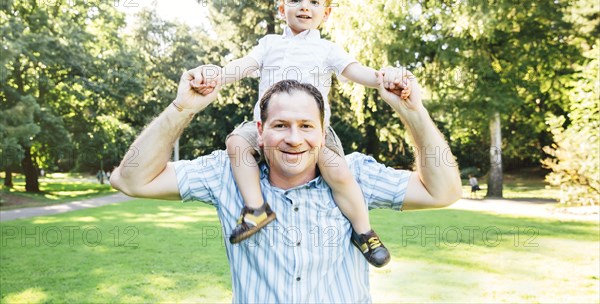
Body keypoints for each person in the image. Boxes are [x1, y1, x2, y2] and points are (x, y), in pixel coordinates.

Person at [110, 69, 462, 303]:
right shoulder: (224, 173)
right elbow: (130, 179)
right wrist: (182, 108)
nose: (294, 139)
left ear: (324, 133)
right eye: (281, 125)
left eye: (306, 126)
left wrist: (413, 111)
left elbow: (443, 191)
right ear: (260, 132)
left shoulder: (355, 175)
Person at [197, 0, 410, 267]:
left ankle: (364, 232)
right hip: (267, 128)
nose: (304, 7)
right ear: (282, 9)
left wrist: (382, 78)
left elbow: (354, 70)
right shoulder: (269, 45)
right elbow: (243, 66)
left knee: (337, 171)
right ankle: (256, 208)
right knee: (235, 143)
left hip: (312, 132)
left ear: (327, 12)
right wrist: (216, 75)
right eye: (296, 1)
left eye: (313, 2)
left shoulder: (326, 49)